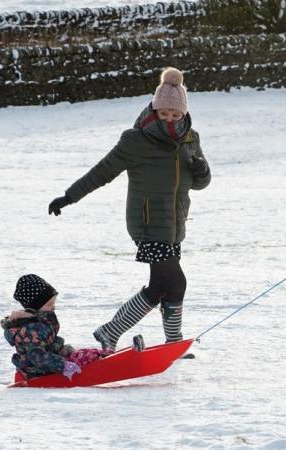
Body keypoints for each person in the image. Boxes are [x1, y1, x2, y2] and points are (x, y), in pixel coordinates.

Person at [47, 67, 211, 352]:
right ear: (154, 109)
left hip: (174, 225)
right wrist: (68, 196)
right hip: (147, 224)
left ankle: (111, 331)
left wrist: (202, 169)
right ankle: (171, 342)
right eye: (164, 114)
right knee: (177, 282)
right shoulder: (136, 140)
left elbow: (200, 183)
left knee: (160, 288)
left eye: (175, 115)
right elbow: (102, 171)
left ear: (183, 113)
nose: (169, 119)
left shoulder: (190, 138)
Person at [1, 274, 111, 380]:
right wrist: (63, 366)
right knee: (86, 357)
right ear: (35, 307)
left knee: (87, 354)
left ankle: (105, 357)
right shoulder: (31, 329)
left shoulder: (39, 320)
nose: (53, 307)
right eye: (49, 305)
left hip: (54, 361)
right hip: (41, 371)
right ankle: (111, 366)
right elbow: (37, 357)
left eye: (53, 303)